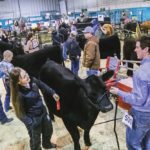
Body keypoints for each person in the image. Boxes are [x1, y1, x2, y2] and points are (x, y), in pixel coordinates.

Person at [110, 35, 150, 150]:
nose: (134, 49)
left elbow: (139, 99)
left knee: (133, 144)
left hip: (142, 114)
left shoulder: (141, 72)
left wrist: (119, 92)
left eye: (137, 47)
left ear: (146, 49)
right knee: (147, 142)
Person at [9, 67, 60, 150]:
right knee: (35, 140)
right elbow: (19, 113)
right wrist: (30, 122)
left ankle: (46, 144)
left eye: (26, 73)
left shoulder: (33, 80)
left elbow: (42, 85)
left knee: (49, 130)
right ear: (18, 82)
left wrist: (52, 93)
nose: (27, 76)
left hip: (43, 112)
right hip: (33, 119)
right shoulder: (19, 94)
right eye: (24, 76)